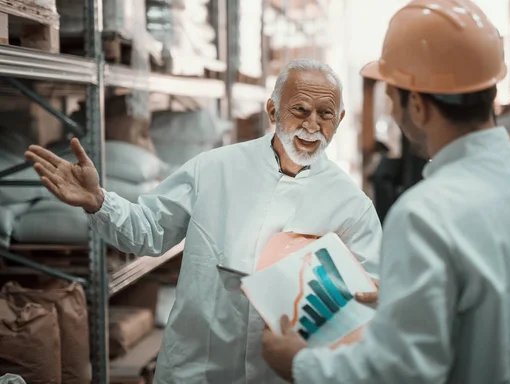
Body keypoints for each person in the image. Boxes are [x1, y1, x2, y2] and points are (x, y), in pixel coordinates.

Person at [261, 0, 510, 384]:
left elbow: (399, 374)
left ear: (416, 104)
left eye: (391, 98)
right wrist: (409, 294)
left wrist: (297, 363)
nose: (393, 112)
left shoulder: (426, 215)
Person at [24, 58, 382, 383]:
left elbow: (369, 300)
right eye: (300, 110)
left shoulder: (352, 206)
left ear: (340, 120)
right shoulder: (214, 168)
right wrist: (99, 201)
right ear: (273, 111)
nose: (312, 125)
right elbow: (149, 229)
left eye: (326, 114)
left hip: (281, 374)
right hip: (197, 368)